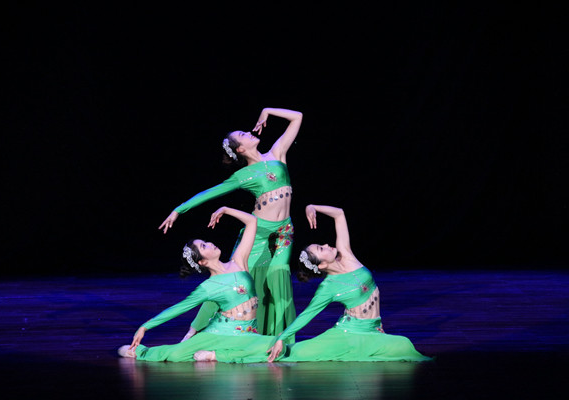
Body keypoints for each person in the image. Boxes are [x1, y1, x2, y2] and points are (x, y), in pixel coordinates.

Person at [158, 108, 302, 342]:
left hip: (284, 231)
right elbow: (210, 192)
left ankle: (279, 340)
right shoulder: (242, 175)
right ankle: (194, 331)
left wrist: (267, 111)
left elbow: (297, 117)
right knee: (231, 279)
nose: (249, 132)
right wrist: (179, 209)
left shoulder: (277, 153)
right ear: (240, 149)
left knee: (278, 277)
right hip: (258, 233)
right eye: (243, 135)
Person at [266, 205, 432, 362]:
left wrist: (312, 207)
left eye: (322, 245)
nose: (326, 245)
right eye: (321, 249)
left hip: (373, 330)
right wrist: (282, 338)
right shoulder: (327, 287)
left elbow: (339, 214)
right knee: (297, 352)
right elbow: (307, 314)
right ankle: (270, 346)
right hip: (348, 334)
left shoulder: (345, 253)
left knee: (404, 345)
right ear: (321, 265)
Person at [118, 207, 275, 363]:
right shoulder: (208, 286)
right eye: (204, 246)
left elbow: (252, 221)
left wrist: (225, 210)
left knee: (276, 347)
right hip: (218, 334)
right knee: (176, 355)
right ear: (202, 262)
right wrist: (145, 327)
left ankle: (216, 355)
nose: (210, 243)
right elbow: (180, 307)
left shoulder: (238, 261)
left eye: (205, 242)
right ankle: (139, 352)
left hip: (246, 334)